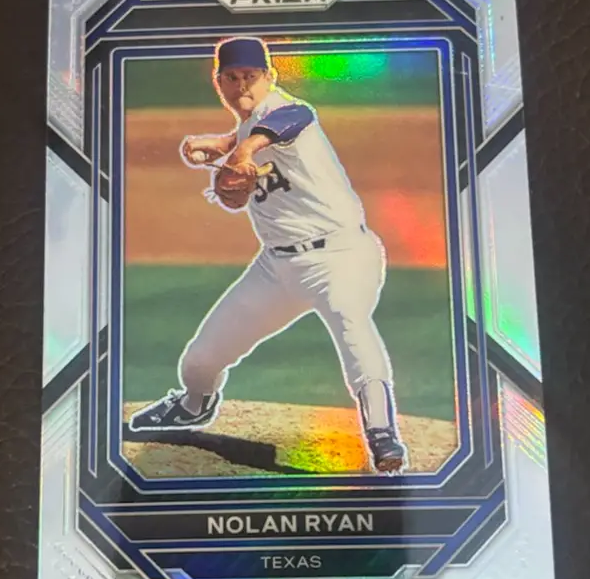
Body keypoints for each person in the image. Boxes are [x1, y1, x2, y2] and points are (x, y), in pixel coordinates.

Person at [129, 36, 408, 473]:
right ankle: (194, 405)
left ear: (270, 78)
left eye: (251, 76)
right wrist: (223, 144)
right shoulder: (249, 124)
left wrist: (240, 150)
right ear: (219, 83)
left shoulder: (288, 110)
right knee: (200, 360)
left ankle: (382, 433)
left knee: (352, 325)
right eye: (232, 77)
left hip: (341, 256)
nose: (242, 85)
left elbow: (291, 120)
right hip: (276, 268)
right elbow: (246, 141)